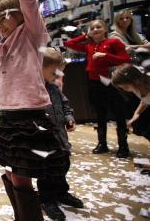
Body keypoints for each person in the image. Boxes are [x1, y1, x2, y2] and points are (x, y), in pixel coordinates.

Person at [0, 0, 69, 220]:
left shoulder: (32, 33)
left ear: (21, 15)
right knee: (11, 175)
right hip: (7, 116)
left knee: (22, 177)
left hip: (30, 115)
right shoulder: (5, 43)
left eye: (3, 20)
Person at [66, 19, 131, 158]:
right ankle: (102, 144)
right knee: (99, 115)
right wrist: (84, 36)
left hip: (112, 83)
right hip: (94, 83)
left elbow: (125, 59)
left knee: (119, 115)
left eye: (98, 27)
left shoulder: (114, 42)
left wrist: (105, 55)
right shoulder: (88, 45)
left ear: (105, 29)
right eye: (92, 28)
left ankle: (123, 146)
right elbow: (69, 44)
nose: (95, 29)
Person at [38, 48, 84, 221]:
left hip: (60, 137)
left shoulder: (54, 88)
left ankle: (61, 192)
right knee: (47, 170)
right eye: (54, 72)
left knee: (64, 164)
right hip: (44, 140)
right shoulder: (33, 90)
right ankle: (47, 199)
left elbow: (66, 104)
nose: (58, 75)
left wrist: (69, 117)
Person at [111, 64, 150, 141]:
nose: (125, 90)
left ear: (135, 80)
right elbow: (145, 101)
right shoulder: (136, 88)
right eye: (123, 88)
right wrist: (136, 114)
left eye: (126, 87)